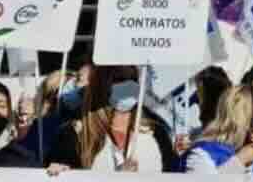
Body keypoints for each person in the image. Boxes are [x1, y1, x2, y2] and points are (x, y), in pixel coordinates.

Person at [47, 68, 176, 173]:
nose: (127, 85)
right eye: (118, 79)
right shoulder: (75, 134)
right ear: (101, 84)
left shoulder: (157, 132)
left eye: (132, 78)